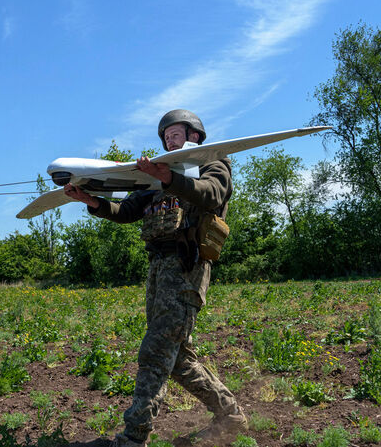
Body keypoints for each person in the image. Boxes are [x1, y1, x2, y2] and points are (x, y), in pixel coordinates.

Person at [64, 109, 247, 447]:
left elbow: (211, 193)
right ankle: (231, 415)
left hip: (186, 267)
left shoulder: (211, 162)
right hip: (158, 269)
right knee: (176, 358)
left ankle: (133, 438)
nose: (168, 139)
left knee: (156, 351)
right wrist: (93, 201)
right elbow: (129, 210)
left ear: (194, 135)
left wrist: (168, 178)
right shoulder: (160, 174)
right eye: (165, 136)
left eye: (175, 133)